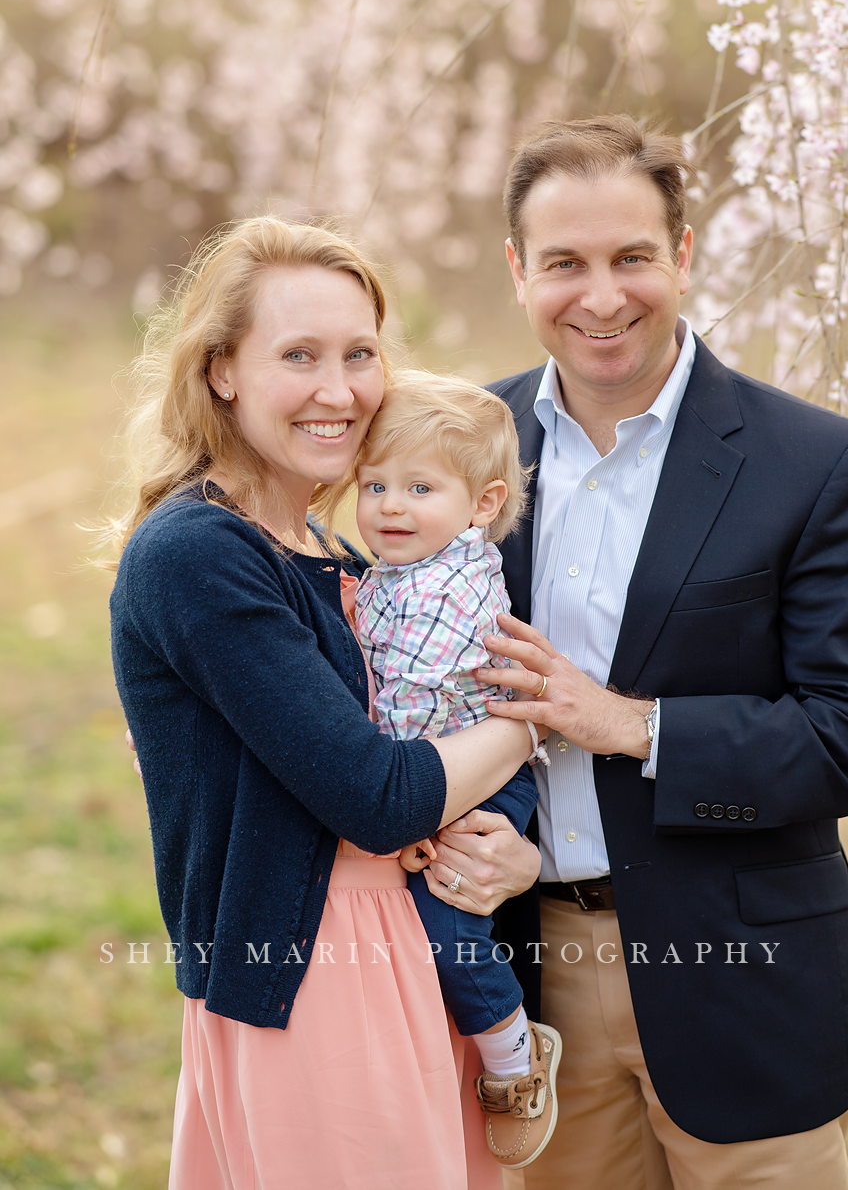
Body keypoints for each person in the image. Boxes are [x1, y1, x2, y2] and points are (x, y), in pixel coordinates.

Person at [471, 116, 848, 1190]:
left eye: (632, 256)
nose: (600, 297)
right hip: (528, 978)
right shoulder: (464, 447)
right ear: (516, 271)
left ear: (683, 252)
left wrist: (632, 725)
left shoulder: (812, 463)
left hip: (743, 978)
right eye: (564, 264)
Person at [108, 216, 542, 1190]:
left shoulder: (344, 559)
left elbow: (406, 759)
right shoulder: (198, 553)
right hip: (306, 974)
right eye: (297, 355)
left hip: (419, 955)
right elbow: (378, 796)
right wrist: (524, 725)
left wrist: (507, 853)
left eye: (360, 354)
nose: (338, 390)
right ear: (221, 370)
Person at [351, 370, 561, 1168]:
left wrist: (410, 813)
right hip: (439, 761)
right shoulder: (399, 570)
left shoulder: (456, 582)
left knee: (449, 927)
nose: (390, 506)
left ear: (481, 505)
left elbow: (408, 700)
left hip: (471, 773)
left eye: (417, 487)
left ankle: (514, 1051)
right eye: (374, 486)